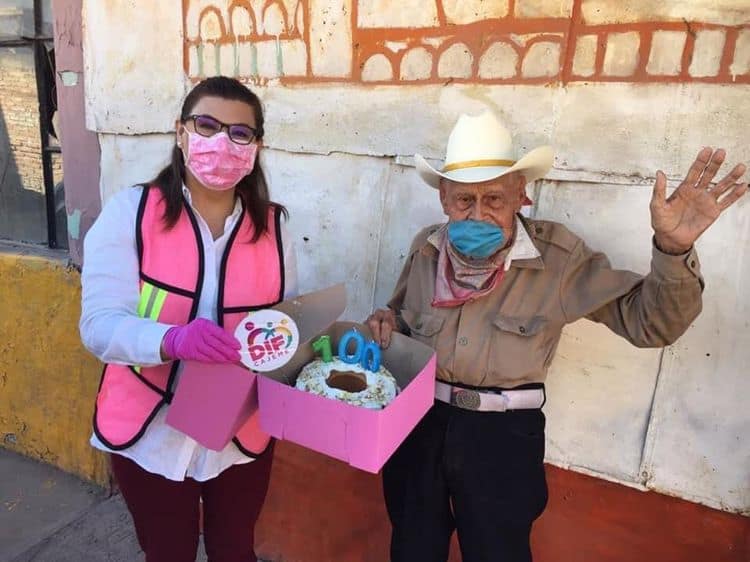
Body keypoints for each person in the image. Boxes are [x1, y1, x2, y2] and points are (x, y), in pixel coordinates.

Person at [366, 111, 747, 562]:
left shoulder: (559, 259)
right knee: (411, 549)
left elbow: (653, 323)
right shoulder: (425, 249)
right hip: (417, 425)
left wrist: (673, 248)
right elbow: (399, 318)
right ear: (444, 199)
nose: (478, 214)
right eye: (464, 200)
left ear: (520, 197)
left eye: (494, 198)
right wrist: (385, 324)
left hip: (501, 440)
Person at [80, 76, 297, 562]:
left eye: (240, 133)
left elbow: (285, 322)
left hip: (238, 429)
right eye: (207, 125)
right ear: (181, 133)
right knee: (168, 552)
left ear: (256, 146)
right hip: (150, 429)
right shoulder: (130, 213)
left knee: (235, 550)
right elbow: (98, 325)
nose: (223, 142)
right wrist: (172, 340)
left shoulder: (275, 225)